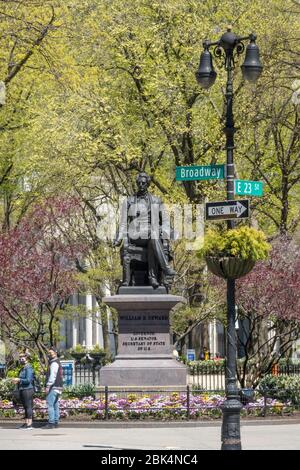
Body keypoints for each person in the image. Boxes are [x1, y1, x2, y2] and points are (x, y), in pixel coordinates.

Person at [113, 172, 176, 288]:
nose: (141, 185)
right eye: (139, 183)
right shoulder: (129, 201)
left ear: (147, 184)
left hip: (152, 235)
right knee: (154, 235)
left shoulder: (157, 201)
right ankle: (166, 269)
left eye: (143, 183)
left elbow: (166, 221)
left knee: (153, 237)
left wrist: (163, 230)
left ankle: (152, 278)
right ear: (137, 184)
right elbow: (122, 223)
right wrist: (118, 239)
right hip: (135, 235)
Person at [12, 352, 34, 429]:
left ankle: (29, 424)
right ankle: (26, 423)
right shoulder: (23, 368)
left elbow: (28, 380)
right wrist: (17, 380)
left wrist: (19, 379)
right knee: (25, 407)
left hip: (28, 389)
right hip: (22, 389)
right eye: (20, 358)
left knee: (28, 407)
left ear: (26, 358)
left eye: (22, 358)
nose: (21, 359)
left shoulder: (29, 368)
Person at [43, 346, 63, 429]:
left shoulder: (54, 363)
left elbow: (53, 375)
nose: (49, 354)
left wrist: (48, 386)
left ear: (55, 353)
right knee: (55, 405)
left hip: (53, 387)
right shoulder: (57, 362)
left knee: (50, 404)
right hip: (58, 387)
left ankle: (51, 423)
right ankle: (56, 422)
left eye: (51, 352)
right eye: (49, 352)